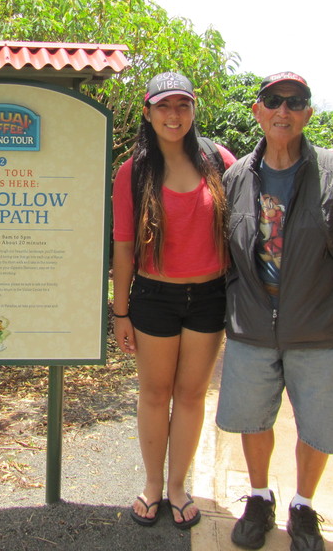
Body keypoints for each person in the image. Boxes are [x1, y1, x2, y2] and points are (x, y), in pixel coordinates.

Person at [216, 72, 333, 551]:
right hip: (252, 326)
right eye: (273, 101)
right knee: (253, 419)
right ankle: (258, 496)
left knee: (317, 423)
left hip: (319, 328)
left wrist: (326, 286)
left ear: (308, 113)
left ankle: (304, 506)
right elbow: (226, 249)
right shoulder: (235, 178)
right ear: (258, 110)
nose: (283, 111)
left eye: (295, 102)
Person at [112, 71, 237, 529]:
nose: (174, 115)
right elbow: (124, 247)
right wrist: (120, 311)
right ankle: (151, 484)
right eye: (164, 106)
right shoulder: (133, 172)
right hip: (153, 297)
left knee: (190, 394)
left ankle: (178, 486)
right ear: (148, 112)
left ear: (193, 110)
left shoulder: (219, 161)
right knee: (154, 392)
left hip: (210, 296)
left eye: (182, 105)